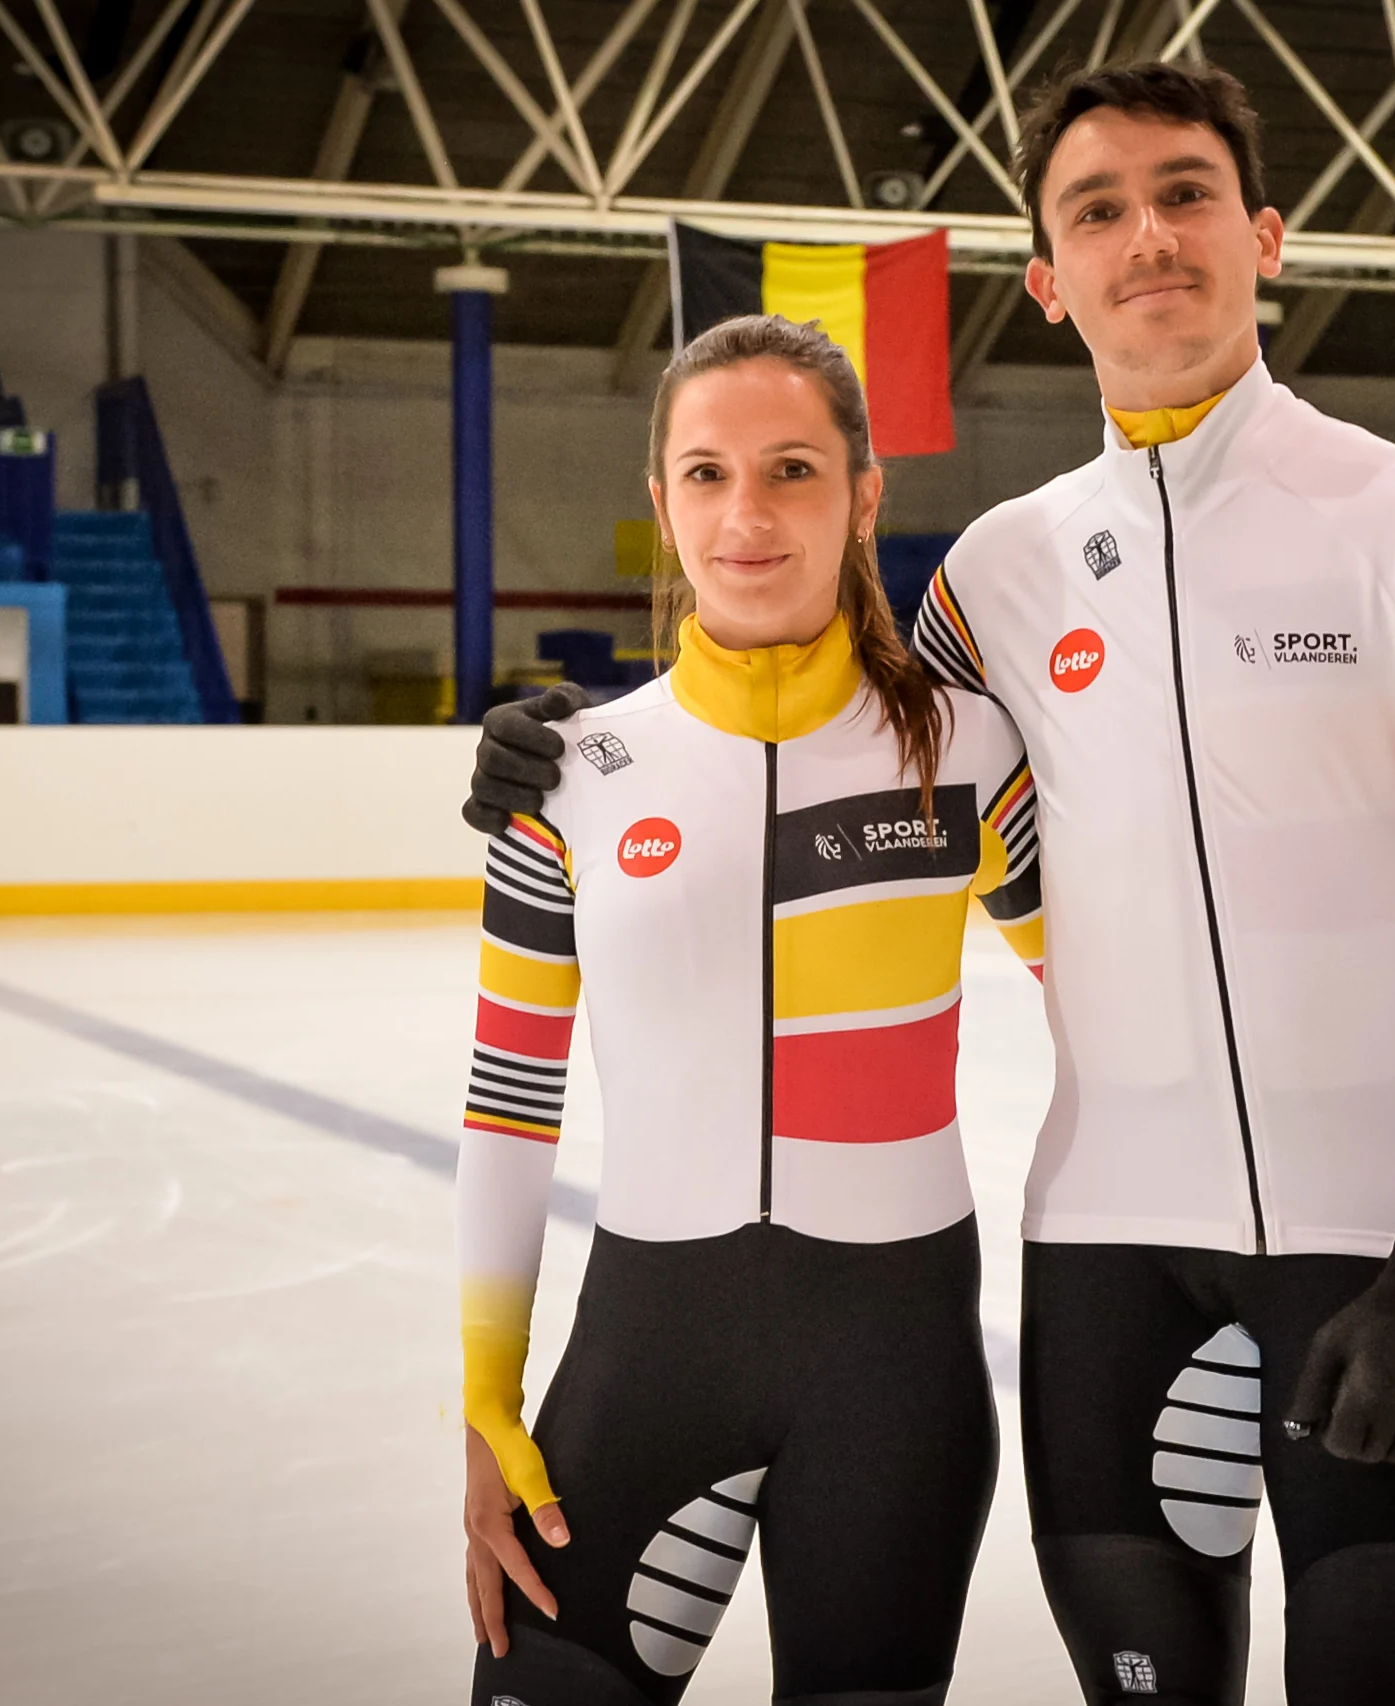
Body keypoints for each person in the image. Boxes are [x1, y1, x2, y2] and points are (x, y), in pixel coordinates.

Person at [468, 59, 1395, 1706]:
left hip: (1373, 1251)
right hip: (1106, 1263)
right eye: (1098, 210)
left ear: (1264, 235)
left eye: (1185, 193)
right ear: (1049, 282)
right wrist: (556, 744)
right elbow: (831, 743)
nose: (1149, 237)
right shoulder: (997, 575)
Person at [453, 313, 1045, 1706]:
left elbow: (1130, 998)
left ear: (862, 492)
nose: (748, 513)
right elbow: (507, 1097)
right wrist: (487, 1398)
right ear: (661, 503)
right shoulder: (572, 777)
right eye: (706, 474)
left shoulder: (968, 751)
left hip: (894, 1378)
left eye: (790, 468)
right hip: (645, 1361)